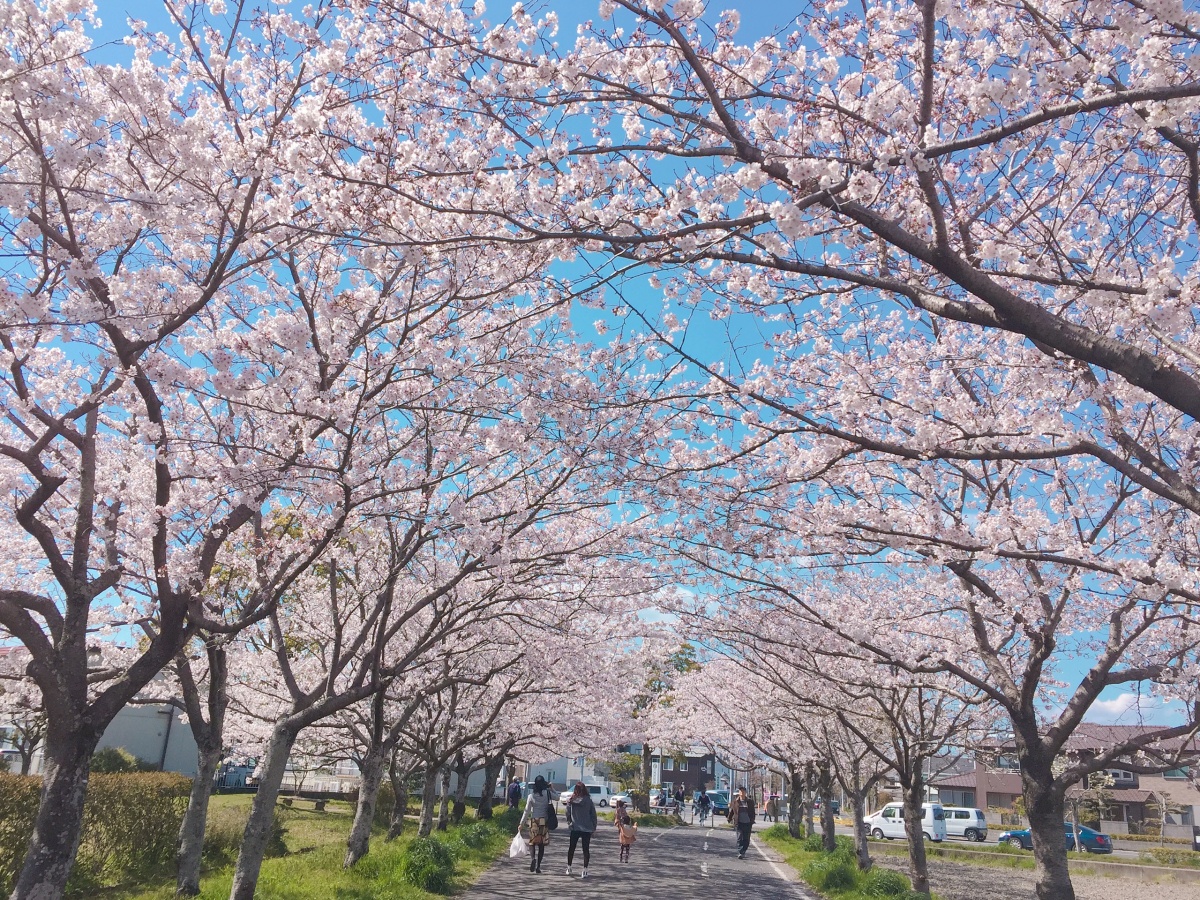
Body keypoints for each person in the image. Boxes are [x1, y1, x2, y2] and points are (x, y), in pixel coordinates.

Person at [518, 775, 553, 873]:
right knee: (541, 845)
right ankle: (538, 867)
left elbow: (526, 811)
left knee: (532, 842)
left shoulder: (531, 796)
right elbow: (558, 798)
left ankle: (533, 858)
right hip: (544, 821)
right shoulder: (548, 793)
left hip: (534, 821)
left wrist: (521, 823)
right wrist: (552, 788)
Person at [564, 781, 598, 878]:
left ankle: (569, 867)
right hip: (587, 828)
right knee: (585, 849)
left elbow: (567, 813)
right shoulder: (588, 800)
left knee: (571, 848)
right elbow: (593, 814)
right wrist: (593, 827)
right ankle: (585, 870)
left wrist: (570, 823)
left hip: (575, 827)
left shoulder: (571, 800)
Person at [727, 786, 756, 859]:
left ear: (745, 793)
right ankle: (740, 852)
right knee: (739, 838)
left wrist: (752, 820)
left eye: (743, 791)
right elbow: (732, 811)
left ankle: (744, 850)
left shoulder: (750, 802)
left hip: (747, 823)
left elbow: (752, 812)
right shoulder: (735, 802)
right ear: (739, 793)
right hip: (739, 822)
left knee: (746, 839)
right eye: (740, 791)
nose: (742, 793)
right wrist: (729, 818)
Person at [614, 798, 636, 863]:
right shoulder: (623, 810)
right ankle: (626, 857)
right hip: (626, 825)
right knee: (628, 842)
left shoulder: (617, 810)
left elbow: (616, 818)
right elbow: (627, 817)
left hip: (621, 825)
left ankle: (620, 855)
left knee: (622, 837)